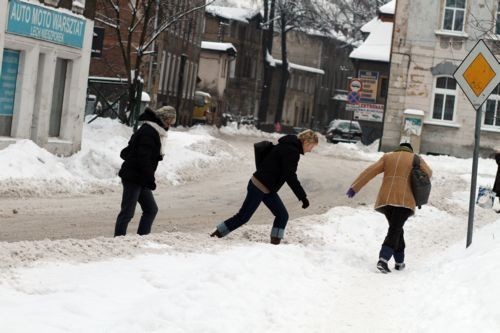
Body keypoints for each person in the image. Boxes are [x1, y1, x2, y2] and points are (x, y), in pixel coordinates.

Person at [210, 129, 319, 244]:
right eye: (312, 147)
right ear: (306, 142)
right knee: (243, 217)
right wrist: (302, 196)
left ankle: (274, 244)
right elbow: (290, 176)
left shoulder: (288, 146)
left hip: (267, 188)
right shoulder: (291, 151)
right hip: (259, 186)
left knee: (282, 215)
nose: (310, 150)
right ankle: (217, 234)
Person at [346, 142, 432, 273]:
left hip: (386, 200)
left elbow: (370, 171)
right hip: (404, 201)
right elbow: (429, 173)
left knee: (397, 229)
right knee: (395, 229)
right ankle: (383, 259)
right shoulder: (416, 158)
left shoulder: (388, 157)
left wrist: (354, 187)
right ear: (410, 150)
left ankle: (399, 262)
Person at [114, 106, 177, 237]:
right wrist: (150, 179)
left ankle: (142, 238)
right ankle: (118, 240)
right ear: (163, 119)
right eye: (169, 122)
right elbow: (143, 158)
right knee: (127, 213)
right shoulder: (149, 132)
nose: (170, 126)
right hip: (134, 177)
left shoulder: (151, 131)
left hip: (140, 177)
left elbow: (130, 151)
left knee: (151, 209)